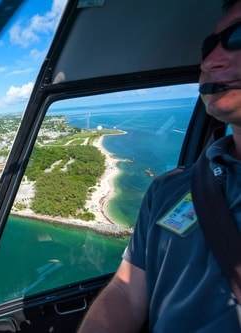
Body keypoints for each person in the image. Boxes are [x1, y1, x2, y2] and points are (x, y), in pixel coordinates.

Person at [77, 1, 241, 332]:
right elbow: (126, 293)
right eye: (208, 46)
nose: (209, 62)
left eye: (238, 37)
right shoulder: (168, 189)